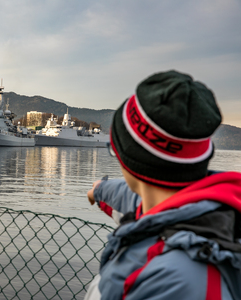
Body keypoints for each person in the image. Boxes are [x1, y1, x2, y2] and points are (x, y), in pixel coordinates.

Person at [84, 70, 241, 300]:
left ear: (132, 164)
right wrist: (97, 191)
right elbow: (130, 196)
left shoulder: (177, 281)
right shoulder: (202, 209)